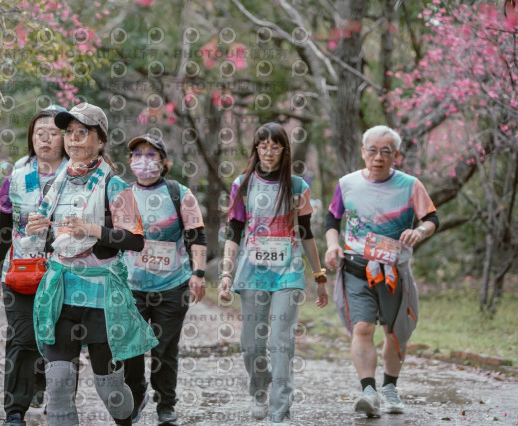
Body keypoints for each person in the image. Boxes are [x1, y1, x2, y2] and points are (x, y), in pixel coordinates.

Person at [24, 102, 157, 426]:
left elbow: (135, 240)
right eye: (69, 132)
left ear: (100, 140)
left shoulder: (115, 186)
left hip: (101, 299)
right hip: (61, 294)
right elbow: (51, 238)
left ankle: (128, 417)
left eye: (82, 132)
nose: (73, 139)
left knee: (109, 388)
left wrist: (93, 230)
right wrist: (35, 229)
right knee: (58, 385)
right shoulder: (54, 185)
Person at [324, 125, 439, 417]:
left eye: (386, 152)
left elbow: (432, 218)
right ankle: (368, 392)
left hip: (393, 270)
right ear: (363, 152)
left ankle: (389, 387)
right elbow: (332, 219)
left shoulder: (410, 185)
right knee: (361, 328)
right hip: (355, 268)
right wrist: (333, 245)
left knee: (394, 332)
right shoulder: (347, 184)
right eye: (372, 151)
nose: (378, 157)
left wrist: (420, 231)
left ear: (396, 155)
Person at [218, 122, 328, 424]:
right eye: (263, 145)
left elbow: (306, 234)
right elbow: (233, 232)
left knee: (282, 342)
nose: (268, 152)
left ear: (284, 150)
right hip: (252, 272)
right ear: (256, 148)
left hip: (288, 273)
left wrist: (319, 277)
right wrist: (226, 274)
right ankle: (259, 388)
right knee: (252, 345)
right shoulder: (242, 185)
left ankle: (280, 412)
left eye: (275, 146)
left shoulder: (297, 187)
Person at [0, 105, 68, 426]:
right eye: (39, 133)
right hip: (20, 271)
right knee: (22, 338)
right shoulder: (17, 177)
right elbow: (2, 227)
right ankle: (14, 411)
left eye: (53, 133)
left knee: (57, 338)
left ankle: (53, 395)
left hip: (65, 273)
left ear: (66, 138)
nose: (45, 139)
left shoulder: (79, 176)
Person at [123, 134, 207, 425]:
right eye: (138, 154)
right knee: (131, 346)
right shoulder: (122, 195)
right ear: (130, 161)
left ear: (163, 161)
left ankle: (166, 405)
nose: (143, 160)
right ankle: (136, 393)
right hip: (131, 286)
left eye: (151, 154)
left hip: (173, 284)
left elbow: (197, 236)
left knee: (164, 348)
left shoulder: (179, 193)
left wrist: (198, 273)